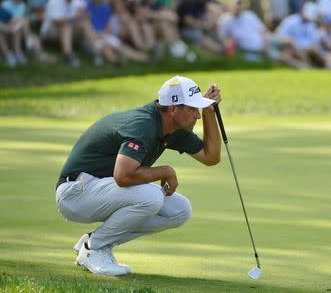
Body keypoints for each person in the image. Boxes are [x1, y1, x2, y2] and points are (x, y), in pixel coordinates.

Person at [55, 76, 222, 276]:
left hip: (98, 189)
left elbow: (211, 156)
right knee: (151, 198)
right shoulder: (144, 125)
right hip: (75, 193)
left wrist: (209, 111)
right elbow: (123, 176)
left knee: (180, 210)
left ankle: (94, 241)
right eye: (192, 109)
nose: (197, 116)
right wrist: (165, 171)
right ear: (173, 109)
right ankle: (93, 250)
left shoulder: (173, 127)